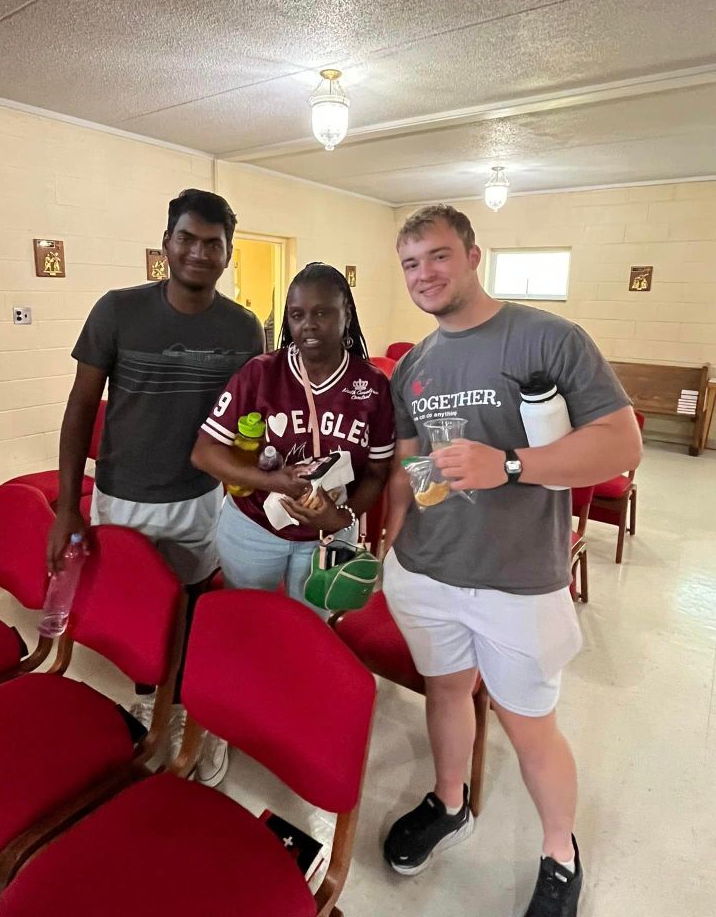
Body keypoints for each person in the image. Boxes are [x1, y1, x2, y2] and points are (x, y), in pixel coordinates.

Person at [381, 205, 642, 916]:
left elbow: (622, 446)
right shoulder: (415, 366)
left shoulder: (548, 338)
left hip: (517, 582)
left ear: (473, 256)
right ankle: (449, 803)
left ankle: (560, 854)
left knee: (530, 726)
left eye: (438, 256)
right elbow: (411, 466)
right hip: (427, 570)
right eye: (410, 264)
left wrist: (512, 465)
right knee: (445, 692)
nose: (424, 275)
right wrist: (389, 547)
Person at [46, 188, 264, 787]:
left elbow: (249, 418)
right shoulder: (117, 311)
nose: (198, 252)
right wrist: (67, 506)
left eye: (213, 244)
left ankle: (188, 710)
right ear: (166, 243)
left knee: (192, 605)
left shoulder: (243, 328)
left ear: (227, 254)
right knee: (139, 608)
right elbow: (80, 407)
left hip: (200, 496)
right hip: (122, 495)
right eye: (187, 238)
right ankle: (150, 701)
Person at [192, 262, 395, 605]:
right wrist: (273, 481)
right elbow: (204, 452)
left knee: (315, 625)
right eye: (297, 314)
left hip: (330, 534)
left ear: (346, 313)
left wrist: (340, 517)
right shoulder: (260, 374)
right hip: (255, 527)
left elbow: (377, 472)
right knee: (249, 619)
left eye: (322, 313)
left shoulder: (373, 386)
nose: (308, 324)